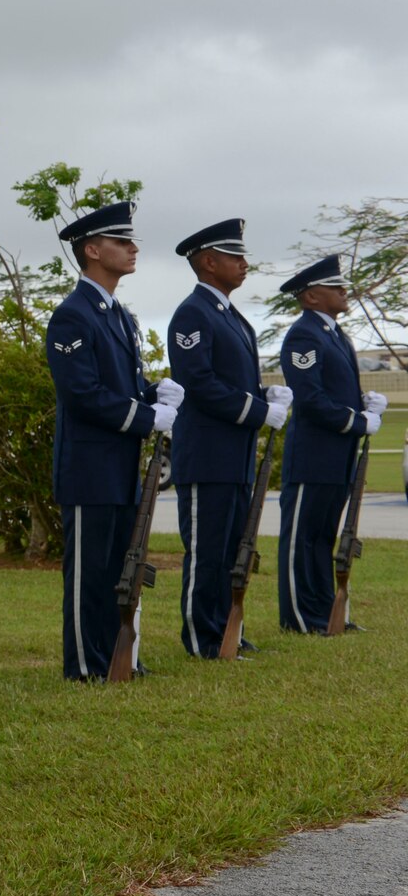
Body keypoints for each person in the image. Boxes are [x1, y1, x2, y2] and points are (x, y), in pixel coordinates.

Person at [44, 202, 180, 681]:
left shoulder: (119, 315)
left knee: (120, 566)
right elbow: (82, 395)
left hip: (119, 464)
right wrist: (146, 416)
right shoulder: (72, 316)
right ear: (93, 250)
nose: (134, 249)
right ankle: (85, 663)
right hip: (88, 467)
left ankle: (120, 657)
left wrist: (152, 393)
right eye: (123, 242)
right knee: (88, 575)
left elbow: (117, 389)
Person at [166, 220, 288, 658]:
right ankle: (203, 637)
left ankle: (226, 629)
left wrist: (263, 395)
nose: (244, 264)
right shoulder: (192, 313)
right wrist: (258, 410)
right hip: (207, 455)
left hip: (233, 456)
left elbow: (230, 379)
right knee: (206, 552)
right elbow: (198, 382)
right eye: (235, 257)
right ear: (209, 261)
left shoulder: (229, 315)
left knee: (232, 549)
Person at [275, 255, 384, 632]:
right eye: (334, 286)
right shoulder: (304, 334)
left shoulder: (334, 333)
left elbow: (335, 390)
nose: (343, 290)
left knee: (323, 537)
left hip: (337, 455)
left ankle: (325, 612)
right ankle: (300, 617)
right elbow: (309, 398)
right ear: (311, 297)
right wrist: (356, 421)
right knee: (301, 540)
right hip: (313, 454)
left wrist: (363, 402)